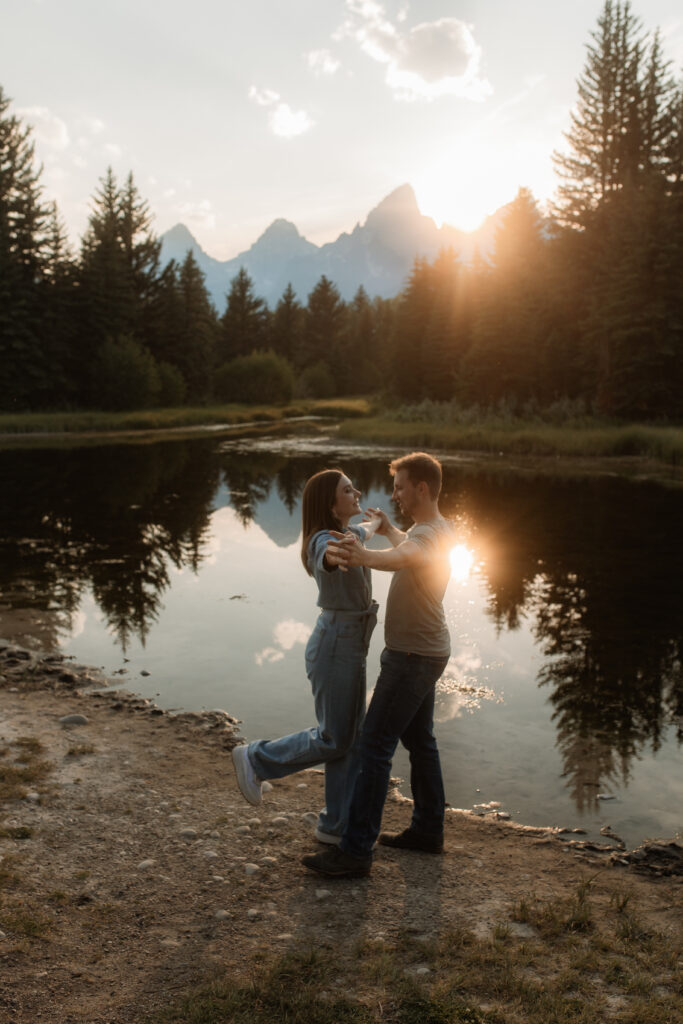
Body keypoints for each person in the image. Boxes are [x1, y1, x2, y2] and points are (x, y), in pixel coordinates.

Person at [301, 451, 455, 877]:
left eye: (401, 487)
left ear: (421, 488)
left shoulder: (427, 536)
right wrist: (388, 530)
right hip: (427, 650)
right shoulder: (437, 528)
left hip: (411, 657)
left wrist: (363, 555)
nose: (395, 495)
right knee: (420, 740)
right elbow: (411, 548)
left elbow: (406, 558)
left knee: (373, 746)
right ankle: (428, 830)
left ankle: (355, 851)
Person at [232, 468, 381, 845]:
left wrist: (377, 523)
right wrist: (334, 555)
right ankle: (256, 759)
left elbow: (361, 534)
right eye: (348, 490)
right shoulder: (324, 541)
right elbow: (325, 555)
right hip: (335, 645)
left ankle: (335, 826)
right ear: (330, 505)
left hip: (350, 643)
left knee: (350, 738)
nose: (356, 491)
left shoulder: (348, 535)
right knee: (334, 737)